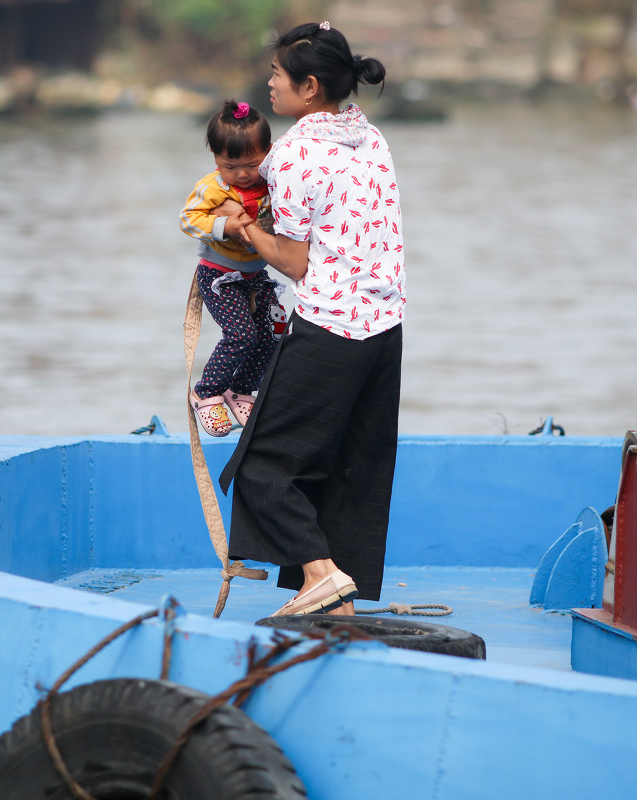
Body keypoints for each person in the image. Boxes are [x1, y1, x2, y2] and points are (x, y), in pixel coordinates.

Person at [218, 21, 405, 617]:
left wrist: (245, 227)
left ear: (309, 86)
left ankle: (320, 575)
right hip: (384, 328)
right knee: (351, 464)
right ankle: (331, 598)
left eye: (277, 74)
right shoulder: (368, 136)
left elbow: (296, 261)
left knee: (262, 465)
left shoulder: (295, 152)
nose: (269, 83)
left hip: (331, 327)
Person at [179, 100, 287, 437]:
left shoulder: (273, 183)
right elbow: (188, 219)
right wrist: (222, 226)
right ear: (215, 157)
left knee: (276, 329)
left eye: (251, 164)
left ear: (268, 153)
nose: (241, 173)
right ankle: (207, 392)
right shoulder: (213, 188)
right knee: (241, 335)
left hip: (256, 275)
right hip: (219, 276)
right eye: (231, 165)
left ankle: (240, 390)